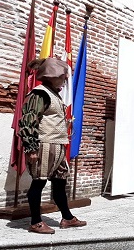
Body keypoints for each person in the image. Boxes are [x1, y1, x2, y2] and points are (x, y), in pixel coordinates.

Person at [19, 57, 87, 234]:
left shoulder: (53, 93)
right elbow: (28, 120)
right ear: (51, 76)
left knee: (59, 183)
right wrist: (31, 148)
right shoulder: (39, 94)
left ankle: (67, 217)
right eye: (62, 76)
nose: (64, 79)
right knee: (38, 183)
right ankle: (35, 222)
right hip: (44, 145)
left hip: (58, 145)